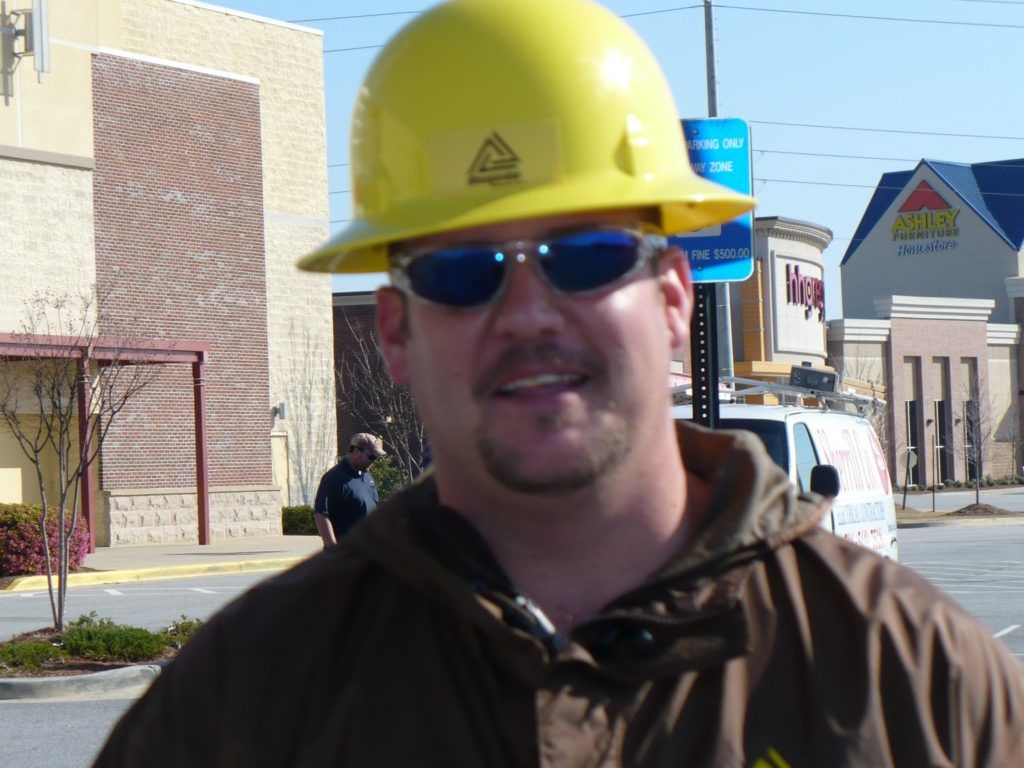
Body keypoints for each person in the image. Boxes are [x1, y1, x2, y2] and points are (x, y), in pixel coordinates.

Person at [94, 0, 1024, 765]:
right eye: (464, 270)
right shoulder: (242, 707)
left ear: (670, 297)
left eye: (585, 255)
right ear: (394, 331)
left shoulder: (919, 686)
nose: (530, 312)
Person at [312, 432, 384, 547]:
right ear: (356, 452)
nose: (373, 461)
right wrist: (333, 550)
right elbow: (321, 515)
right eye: (371, 456)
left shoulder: (367, 477)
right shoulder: (335, 477)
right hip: (347, 552)